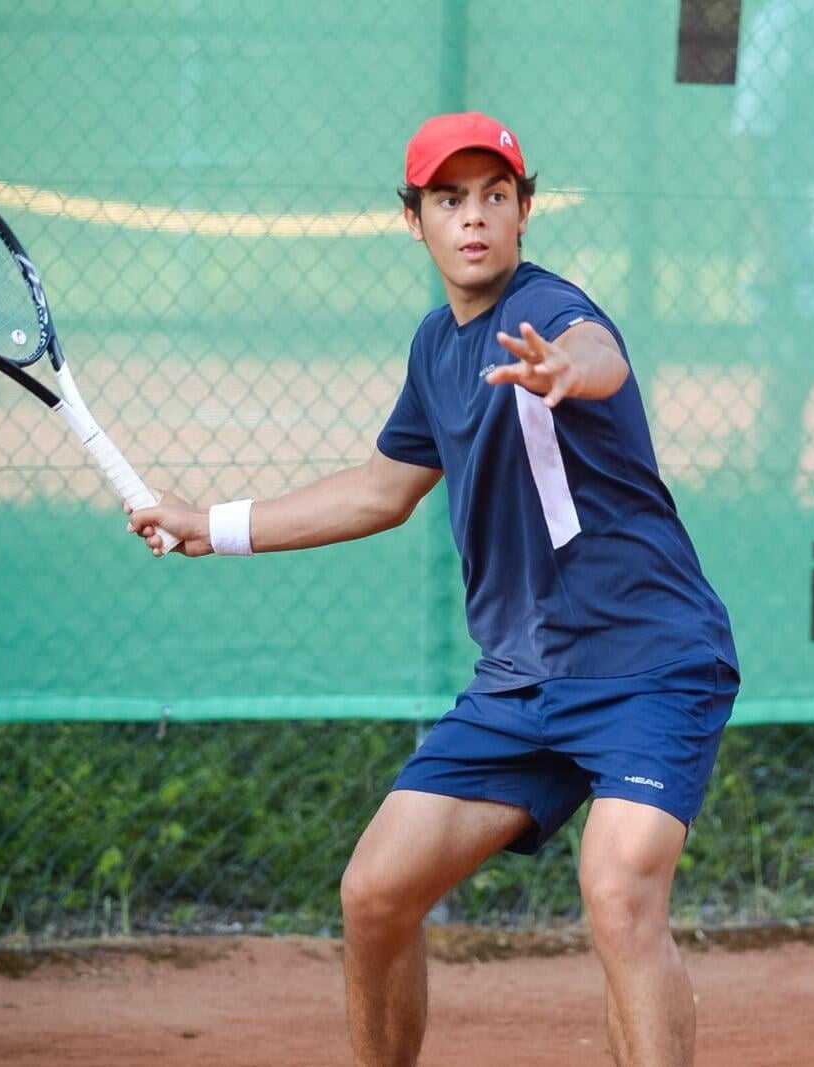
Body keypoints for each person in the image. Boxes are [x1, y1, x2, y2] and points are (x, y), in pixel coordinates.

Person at [126, 111, 740, 1067]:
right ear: (413, 219)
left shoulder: (554, 310)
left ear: (525, 210)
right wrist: (214, 523)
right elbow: (380, 489)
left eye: (495, 196)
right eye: (448, 199)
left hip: (649, 661)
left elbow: (595, 353)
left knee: (619, 890)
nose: (474, 217)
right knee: (375, 892)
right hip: (523, 680)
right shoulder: (435, 348)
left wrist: (564, 372)